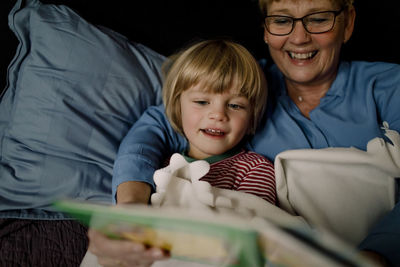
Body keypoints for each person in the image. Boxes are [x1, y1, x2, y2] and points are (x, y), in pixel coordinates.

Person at [89, 0, 400, 266]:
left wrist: (377, 255)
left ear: (347, 23)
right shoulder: (247, 83)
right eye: (282, 20)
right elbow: (158, 125)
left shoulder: (387, 87)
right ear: (266, 30)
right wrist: (130, 207)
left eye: (318, 19)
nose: (300, 37)